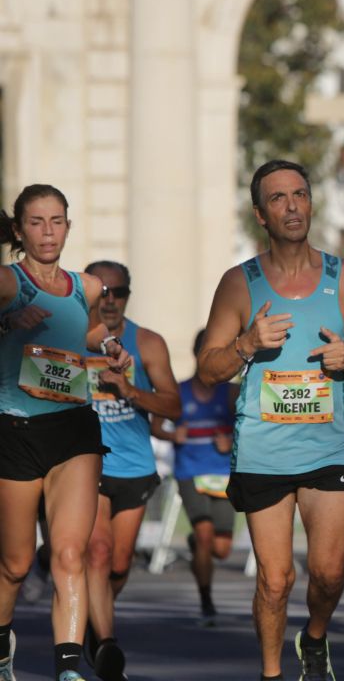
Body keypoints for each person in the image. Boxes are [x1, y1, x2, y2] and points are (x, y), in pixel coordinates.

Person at [196, 159, 344, 681]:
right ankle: (273, 673)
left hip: (327, 448)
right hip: (263, 448)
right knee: (275, 581)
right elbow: (208, 370)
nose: (292, 205)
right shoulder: (239, 283)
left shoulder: (343, 278)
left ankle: (316, 637)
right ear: (261, 214)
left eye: (299, 194)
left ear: (312, 203)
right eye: (278, 198)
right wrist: (246, 344)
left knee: (327, 573)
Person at [0, 184, 130, 681]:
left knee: (69, 552)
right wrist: (8, 323)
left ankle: (70, 669)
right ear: (19, 229)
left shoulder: (88, 285)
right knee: (13, 564)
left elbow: (88, 330)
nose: (48, 232)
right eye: (36, 222)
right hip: (14, 430)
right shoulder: (8, 283)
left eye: (57, 221)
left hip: (73, 428)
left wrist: (113, 346)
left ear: (69, 227)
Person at [83, 260, 182, 680]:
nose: (109, 300)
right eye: (101, 292)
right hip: (87, 462)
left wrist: (129, 390)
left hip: (135, 465)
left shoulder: (149, 343)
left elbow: (173, 405)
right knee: (99, 553)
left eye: (118, 292)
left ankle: (93, 616)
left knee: (119, 564)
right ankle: (106, 644)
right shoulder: (72, 338)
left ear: (128, 295)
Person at [152, 328, 240, 627]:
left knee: (221, 549)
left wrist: (231, 439)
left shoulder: (230, 392)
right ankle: (207, 603)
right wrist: (170, 433)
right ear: (198, 354)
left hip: (223, 475)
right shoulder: (179, 391)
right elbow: (155, 424)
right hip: (189, 472)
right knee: (204, 535)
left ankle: (197, 544)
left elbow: (250, 425)